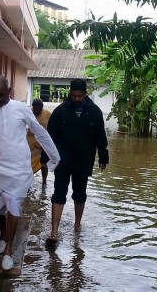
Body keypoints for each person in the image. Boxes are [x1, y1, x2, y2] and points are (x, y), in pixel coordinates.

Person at [0, 75, 60, 271]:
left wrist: (54, 156)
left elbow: (40, 132)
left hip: (17, 170)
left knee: (13, 207)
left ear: (10, 91)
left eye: (2, 94)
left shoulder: (21, 109)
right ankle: (3, 235)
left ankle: (8, 251)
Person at [43, 78, 109, 245]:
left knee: (79, 194)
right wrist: (45, 158)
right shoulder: (60, 112)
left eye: (80, 96)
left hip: (84, 159)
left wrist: (103, 157)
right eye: (74, 96)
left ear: (85, 94)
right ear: (70, 94)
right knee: (59, 193)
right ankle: (54, 232)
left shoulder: (95, 112)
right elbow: (49, 137)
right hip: (63, 159)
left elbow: (100, 137)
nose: (77, 99)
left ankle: (77, 224)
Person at [26, 99, 51, 186]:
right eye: (35, 109)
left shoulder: (47, 114)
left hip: (43, 143)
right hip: (31, 142)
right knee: (28, 163)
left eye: (39, 110)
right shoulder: (28, 113)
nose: (37, 111)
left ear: (42, 108)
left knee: (44, 164)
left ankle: (44, 181)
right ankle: (28, 181)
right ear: (32, 108)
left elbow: (51, 129)